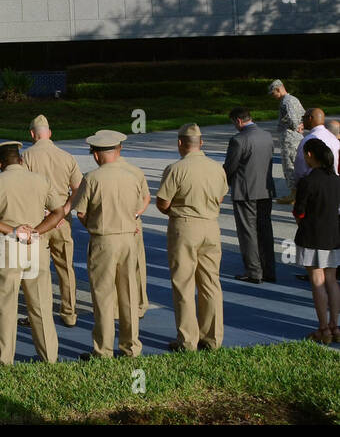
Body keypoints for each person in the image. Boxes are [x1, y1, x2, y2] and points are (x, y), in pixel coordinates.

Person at [0, 141, 67, 365]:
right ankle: (49, 356)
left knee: (6, 305)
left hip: (7, 248)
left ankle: (4, 358)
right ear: (21, 159)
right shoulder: (40, 180)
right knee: (40, 305)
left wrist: (14, 231)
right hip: (35, 247)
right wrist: (37, 230)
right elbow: (58, 212)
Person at [154, 124, 228, 352]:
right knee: (211, 283)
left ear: (180, 143)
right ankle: (213, 338)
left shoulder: (176, 168)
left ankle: (187, 341)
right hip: (211, 227)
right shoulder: (217, 168)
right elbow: (220, 198)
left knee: (184, 284)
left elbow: (162, 203)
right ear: (201, 142)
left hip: (185, 227)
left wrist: (176, 213)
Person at [73, 132, 146, 360]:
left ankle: (103, 349)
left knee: (103, 294)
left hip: (103, 239)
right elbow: (139, 205)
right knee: (129, 293)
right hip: (128, 238)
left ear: (95, 154)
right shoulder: (132, 176)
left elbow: (82, 212)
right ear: (118, 150)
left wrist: (93, 224)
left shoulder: (91, 178)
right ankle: (131, 346)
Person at [21, 115, 84, 327]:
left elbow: (24, 189)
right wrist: (63, 210)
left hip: (38, 221)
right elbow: (78, 188)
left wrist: (46, 212)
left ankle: (39, 314)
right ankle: (69, 313)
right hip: (62, 221)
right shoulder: (67, 157)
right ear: (50, 133)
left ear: (32, 134)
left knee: (38, 269)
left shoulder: (26, 157)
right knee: (66, 267)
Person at [96, 129, 153, 317]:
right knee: (136, 267)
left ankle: (113, 309)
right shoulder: (135, 171)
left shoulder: (97, 174)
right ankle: (140, 304)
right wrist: (135, 215)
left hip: (109, 227)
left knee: (110, 272)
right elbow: (146, 197)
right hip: (133, 225)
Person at [292, 138, 340, 343]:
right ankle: (335, 326)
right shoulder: (336, 179)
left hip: (312, 235)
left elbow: (299, 211)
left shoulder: (308, 181)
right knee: (331, 280)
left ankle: (323, 329)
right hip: (334, 235)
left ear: (310, 155)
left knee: (317, 281)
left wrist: (299, 217)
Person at [225, 107, 278, 284]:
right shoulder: (267, 136)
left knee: (248, 232)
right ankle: (269, 269)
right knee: (265, 230)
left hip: (245, 191)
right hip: (265, 189)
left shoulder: (238, 140)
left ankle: (254, 271)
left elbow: (230, 167)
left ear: (238, 121)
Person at [269, 80, 305, 201]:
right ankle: (295, 194)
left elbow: (293, 119)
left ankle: (294, 195)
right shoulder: (293, 99)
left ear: (278, 89)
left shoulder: (287, 101)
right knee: (295, 164)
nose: (273, 96)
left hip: (290, 139)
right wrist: (301, 125)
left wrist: (296, 126)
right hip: (295, 138)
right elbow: (303, 114)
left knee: (289, 166)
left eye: (273, 93)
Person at [294, 108, 340, 182]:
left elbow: (300, 168)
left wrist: (299, 185)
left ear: (310, 118)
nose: (302, 121)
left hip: (314, 184)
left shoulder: (308, 140)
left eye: (303, 118)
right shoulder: (334, 139)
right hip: (333, 183)